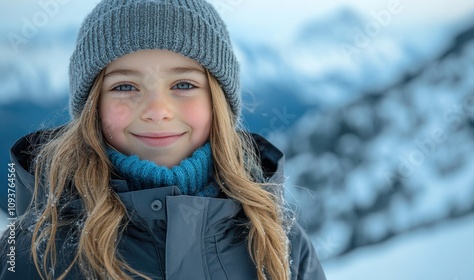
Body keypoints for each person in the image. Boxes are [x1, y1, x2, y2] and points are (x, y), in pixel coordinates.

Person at [0, 0, 326, 279]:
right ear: (93, 107)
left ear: (217, 102)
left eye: (183, 84)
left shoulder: (277, 239)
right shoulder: (36, 249)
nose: (157, 110)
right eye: (125, 87)